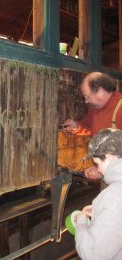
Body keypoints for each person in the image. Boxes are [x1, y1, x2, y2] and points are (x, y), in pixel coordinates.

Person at [62, 72, 122, 179]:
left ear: (101, 91)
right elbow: (89, 126)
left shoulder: (120, 109)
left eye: (87, 96)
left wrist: (105, 169)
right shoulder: (95, 108)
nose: (86, 101)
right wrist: (77, 126)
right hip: (106, 174)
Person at [74, 128, 122, 260]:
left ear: (110, 156)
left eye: (98, 163)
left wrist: (82, 220)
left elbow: (92, 254)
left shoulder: (114, 197)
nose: (99, 170)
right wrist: (101, 211)